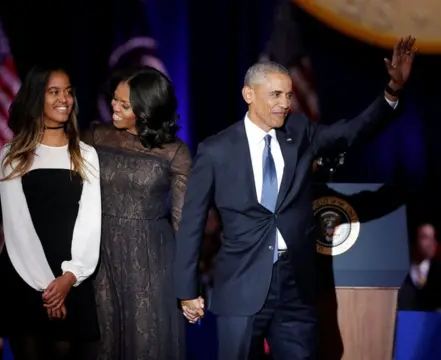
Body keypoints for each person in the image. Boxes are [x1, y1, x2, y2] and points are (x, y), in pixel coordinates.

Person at [174, 36, 416, 360]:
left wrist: (391, 93)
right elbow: (192, 223)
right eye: (276, 94)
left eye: (288, 95)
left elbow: (351, 132)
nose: (285, 103)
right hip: (241, 286)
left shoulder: (300, 131)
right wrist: (187, 291)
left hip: (296, 289)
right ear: (249, 94)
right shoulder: (215, 150)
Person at [83, 66, 190, 360]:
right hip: (99, 255)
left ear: (146, 110)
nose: (114, 107)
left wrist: (187, 287)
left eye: (124, 104)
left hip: (151, 261)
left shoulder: (175, 152)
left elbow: (184, 224)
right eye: (114, 99)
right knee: (101, 345)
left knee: (147, 344)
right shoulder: (95, 135)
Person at [0, 65, 101, 360]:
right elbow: (17, 226)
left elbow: (91, 223)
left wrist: (68, 278)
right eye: (54, 92)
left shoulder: (86, 154)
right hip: (25, 275)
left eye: (68, 92)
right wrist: (49, 287)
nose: (64, 99)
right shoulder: (13, 154)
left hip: (73, 277)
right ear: (36, 98)